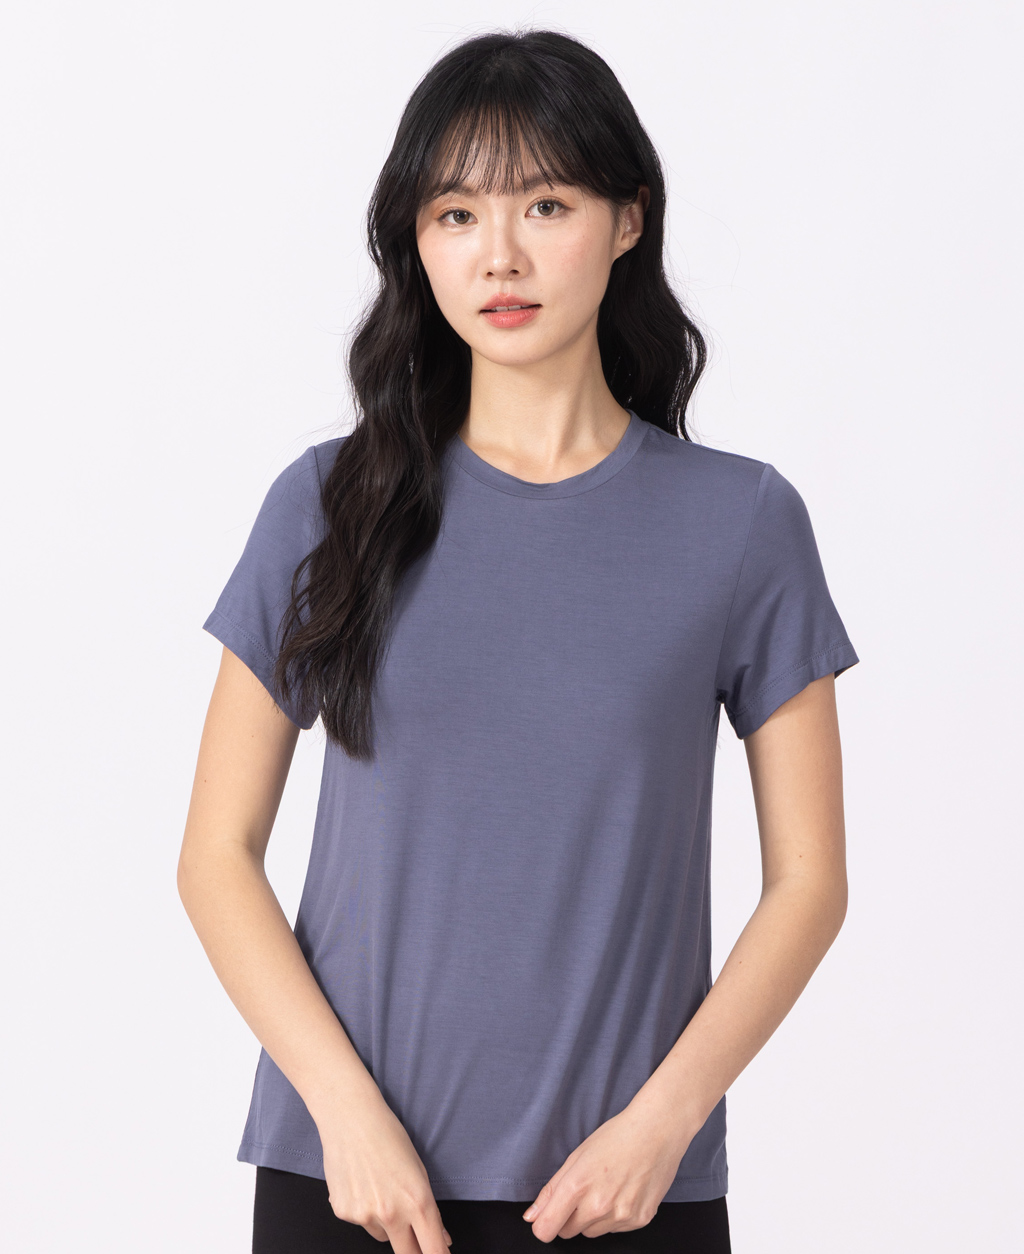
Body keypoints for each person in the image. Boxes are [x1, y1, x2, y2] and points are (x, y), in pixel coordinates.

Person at [178, 28, 858, 1254]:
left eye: (545, 204)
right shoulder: (327, 503)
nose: (499, 254)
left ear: (627, 219)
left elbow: (808, 882)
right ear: (416, 241)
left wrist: (661, 1127)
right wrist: (344, 1117)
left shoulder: (742, 522)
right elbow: (215, 856)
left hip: (625, 1194)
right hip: (352, 1184)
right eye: (456, 213)